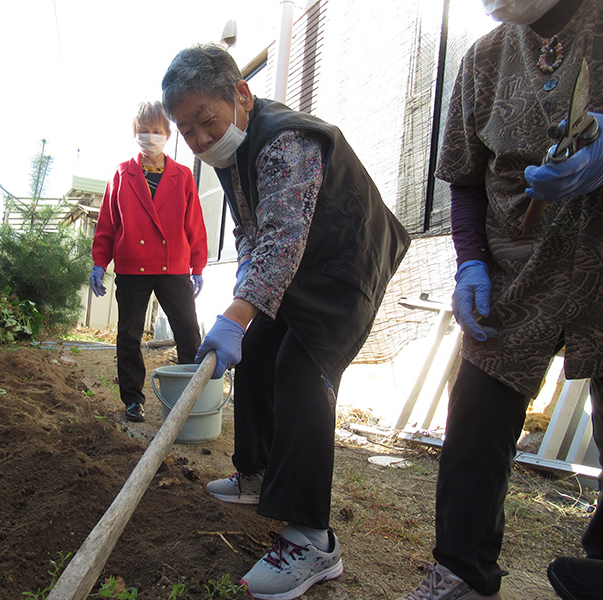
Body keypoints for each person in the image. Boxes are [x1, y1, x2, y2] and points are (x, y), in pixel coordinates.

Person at [161, 44, 410, 599]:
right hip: (300, 266)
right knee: (256, 354)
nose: (200, 140)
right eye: (188, 130)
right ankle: (256, 474)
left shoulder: (285, 140)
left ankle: (312, 541)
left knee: (302, 375)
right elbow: (256, 231)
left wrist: (235, 310)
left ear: (241, 97)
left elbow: (283, 239)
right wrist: (244, 296)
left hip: (347, 266)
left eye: (208, 122)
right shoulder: (231, 152)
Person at [397, 0, 603, 599]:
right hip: (515, 272)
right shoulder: (486, 56)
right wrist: (472, 266)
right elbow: (465, 176)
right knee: (476, 426)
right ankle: (461, 573)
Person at [90, 101, 207, 423]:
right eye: (144, 131)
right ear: (135, 134)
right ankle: (132, 399)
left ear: (168, 135)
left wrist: (197, 267)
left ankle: (190, 398)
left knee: (187, 333)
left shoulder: (182, 175)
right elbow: (107, 224)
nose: (151, 137)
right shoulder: (122, 174)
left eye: (157, 131)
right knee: (128, 335)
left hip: (173, 267)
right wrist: (100, 262)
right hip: (132, 266)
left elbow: (194, 224)